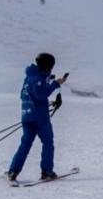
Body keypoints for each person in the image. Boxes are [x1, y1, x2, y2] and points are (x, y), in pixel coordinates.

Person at [6, 53, 68, 182]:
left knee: (25, 144)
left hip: (27, 116)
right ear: (48, 65)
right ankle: (47, 171)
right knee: (48, 142)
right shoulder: (38, 79)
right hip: (40, 118)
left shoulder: (29, 77)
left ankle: (13, 171)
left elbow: (26, 95)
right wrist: (55, 84)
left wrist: (51, 81)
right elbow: (41, 94)